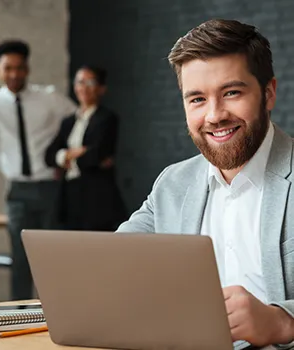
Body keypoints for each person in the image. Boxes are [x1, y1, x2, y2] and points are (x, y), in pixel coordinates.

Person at [117, 19, 294, 348]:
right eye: (197, 99)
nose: (214, 115)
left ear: (268, 93)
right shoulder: (173, 183)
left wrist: (281, 322)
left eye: (231, 93)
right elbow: (111, 261)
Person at [0, 40, 77, 300]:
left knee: (52, 260)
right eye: (8, 68)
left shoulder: (49, 98)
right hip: (17, 190)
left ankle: (58, 314)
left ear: (28, 69)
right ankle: (18, 317)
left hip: (49, 187)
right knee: (20, 262)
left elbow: (79, 119)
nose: (14, 74)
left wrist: (67, 155)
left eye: (19, 68)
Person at [45, 65, 126, 230]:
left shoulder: (107, 118)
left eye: (90, 82)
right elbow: (48, 156)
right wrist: (68, 155)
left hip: (97, 198)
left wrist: (68, 158)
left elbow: (96, 156)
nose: (84, 87)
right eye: (80, 82)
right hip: (70, 196)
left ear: (101, 89)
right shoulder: (68, 122)